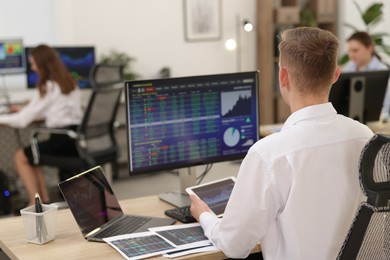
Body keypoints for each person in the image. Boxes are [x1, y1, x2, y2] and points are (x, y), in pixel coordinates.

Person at [190, 27, 374, 259]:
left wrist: (204, 216)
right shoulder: (365, 137)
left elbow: (235, 246)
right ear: (336, 75)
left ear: (283, 76)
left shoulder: (269, 153)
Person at [0, 44, 82, 206]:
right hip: (74, 141)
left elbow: (22, 120)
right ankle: (43, 200)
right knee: (33, 154)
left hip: (60, 142)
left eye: (34, 63)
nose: (33, 67)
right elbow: (54, 110)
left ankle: (33, 203)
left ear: (43, 64)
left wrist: (2, 118)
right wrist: (25, 110)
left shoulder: (48, 86)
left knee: (21, 156)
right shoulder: (70, 82)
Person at [344, 31, 390, 119]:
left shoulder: (381, 71)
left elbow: (385, 108)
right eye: (349, 51)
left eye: (355, 50)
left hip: (377, 120)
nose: (351, 55)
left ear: (369, 48)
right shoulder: (350, 68)